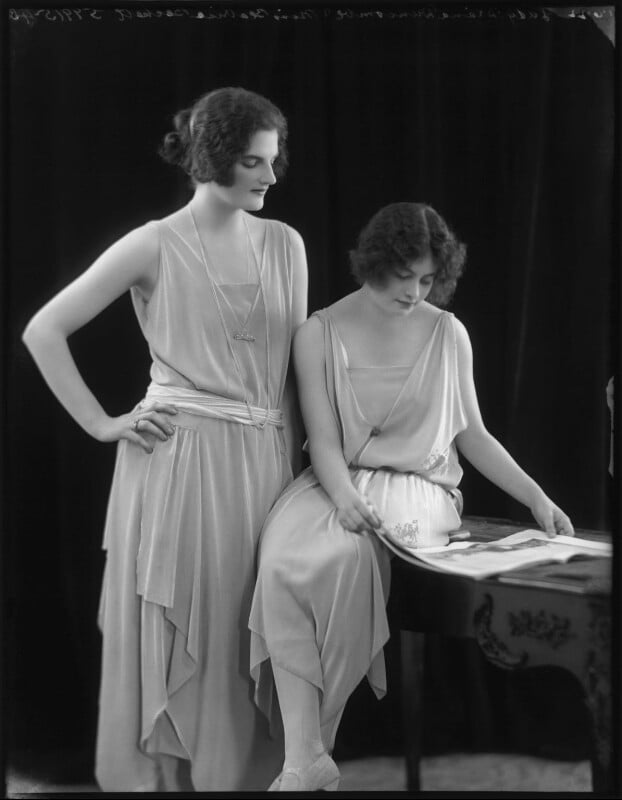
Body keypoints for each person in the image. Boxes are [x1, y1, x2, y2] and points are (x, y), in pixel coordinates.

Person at [22, 87, 308, 791]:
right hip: (180, 465)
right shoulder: (153, 242)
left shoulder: (286, 244)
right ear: (213, 157)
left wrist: (309, 478)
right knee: (192, 637)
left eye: (273, 160)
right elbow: (43, 330)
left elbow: (296, 374)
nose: (269, 177)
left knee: (254, 632)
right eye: (252, 161)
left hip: (266, 464)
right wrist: (102, 422)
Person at [248, 202, 574, 791]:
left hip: (420, 490)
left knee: (341, 558)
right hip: (334, 480)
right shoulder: (317, 332)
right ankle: (305, 754)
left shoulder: (448, 333)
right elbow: (324, 443)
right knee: (280, 562)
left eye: (428, 280)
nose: (415, 292)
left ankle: (310, 752)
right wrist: (343, 496)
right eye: (404, 276)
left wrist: (536, 497)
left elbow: (473, 435)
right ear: (374, 263)